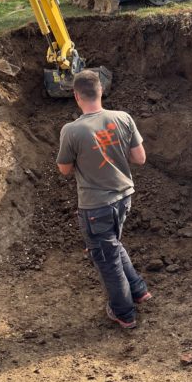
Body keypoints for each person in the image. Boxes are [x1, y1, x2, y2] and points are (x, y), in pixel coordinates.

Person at [57, 70, 150, 329]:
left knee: (107, 261)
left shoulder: (72, 130)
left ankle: (124, 313)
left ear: (76, 96)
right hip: (123, 199)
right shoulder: (123, 118)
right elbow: (139, 158)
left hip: (95, 207)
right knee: (112, 245)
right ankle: (139, 289)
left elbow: (64, 169)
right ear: (101, 91)